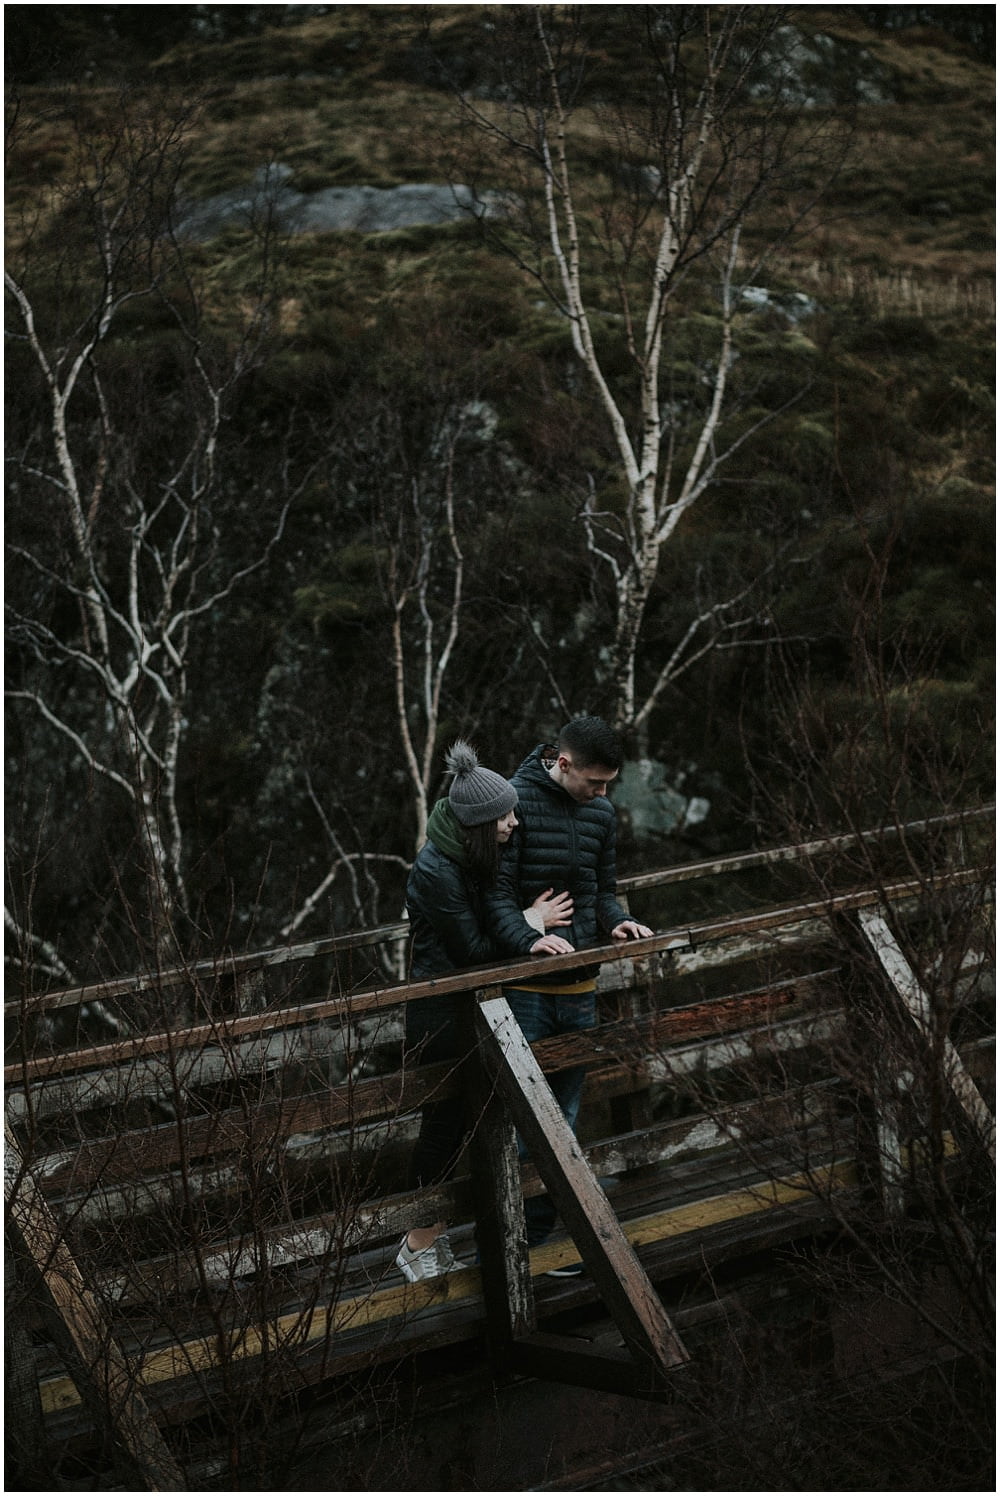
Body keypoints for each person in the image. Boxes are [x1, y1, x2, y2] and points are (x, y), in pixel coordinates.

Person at [396, 740, 574, 1283]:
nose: (513, 823)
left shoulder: (467, 856)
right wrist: (531, 920)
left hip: (476, 1011)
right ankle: (415, 1244)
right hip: (440, 1017)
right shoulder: (436, 870)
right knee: (444, 1130)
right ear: (478, 823)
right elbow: (472, 950)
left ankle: (434, 1238)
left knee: (476, 1126)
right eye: (504, 817)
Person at [484, 714, 652, 1271]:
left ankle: (543, 1244)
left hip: (580, 984)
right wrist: (529, 937)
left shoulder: (599, 815)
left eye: (609, 785)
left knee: (566, 1117)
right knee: (526, 1124)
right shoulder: (513, 807)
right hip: (526, 990)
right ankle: (515, 1252)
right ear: (563, 764)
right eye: (594, 783)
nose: (603, 794)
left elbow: (601, 890)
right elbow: (497, 897)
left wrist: (618, 921)